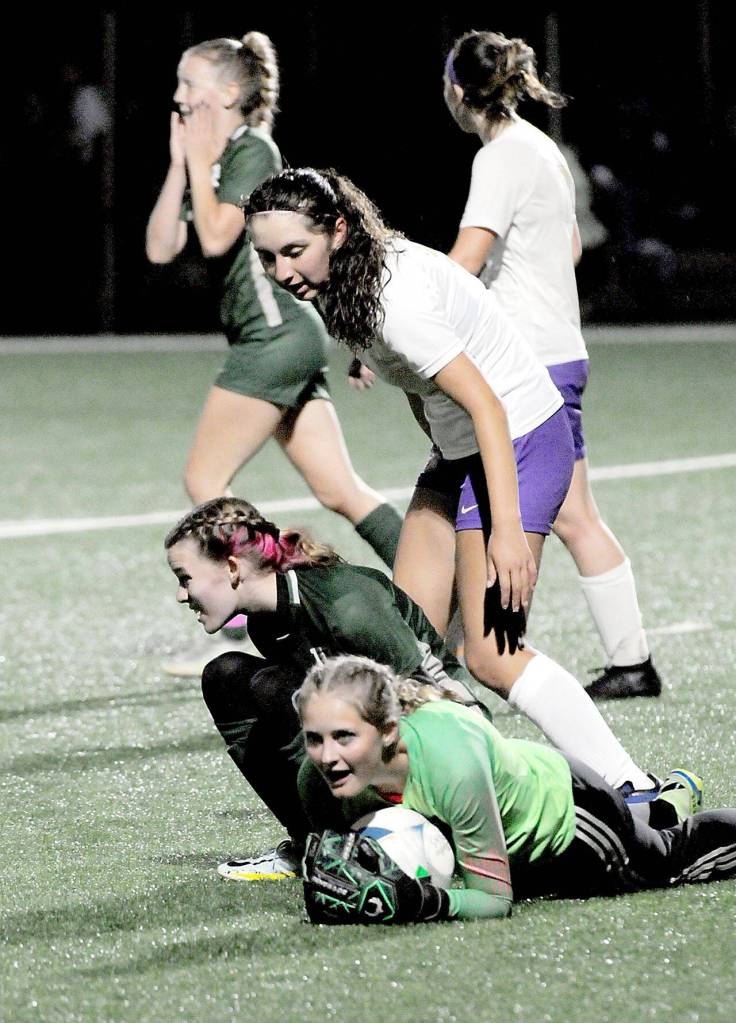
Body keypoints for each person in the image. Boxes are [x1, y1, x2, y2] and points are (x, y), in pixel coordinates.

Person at [241, 168, 666, 801]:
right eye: (267, 257)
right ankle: (429, 799)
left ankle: (634, 787)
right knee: (402, 647)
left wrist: (507, 533)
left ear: (338, 229)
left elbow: (489, 406)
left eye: (294, 252)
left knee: (492, 656)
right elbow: (424, 391)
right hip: (462, 452)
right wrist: (442, 462)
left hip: (517, 441)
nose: (281, 271)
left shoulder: (393, 302)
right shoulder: (343, 283)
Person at [164, 498, 699, 880]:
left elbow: (443, 696)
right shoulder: (266, 622)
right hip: (385, 754)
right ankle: (314, 845)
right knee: (231, 677)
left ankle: (663, 803)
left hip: (448, 743)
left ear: (232, 567)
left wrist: (468, 793)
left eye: (185, 577)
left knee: (621, 846)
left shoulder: (348, 606)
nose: (183, 594)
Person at [145, 33, 402, 674]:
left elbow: (211, 238)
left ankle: (255, 619)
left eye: (189, 85)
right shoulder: (216, 158)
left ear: (229, 94)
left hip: (272, 337)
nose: (178, 98)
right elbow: (158, 247)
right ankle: (432, 588)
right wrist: (184, 162)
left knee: (204, 484)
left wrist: (205, 162)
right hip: (283, 339)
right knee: (339, 488)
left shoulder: (252, 150)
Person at [443, 30, 661, 700]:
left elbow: (467, 258)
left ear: (456, 90)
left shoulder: (500, 158)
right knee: (575, 515)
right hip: (559, 348)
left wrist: (408, 314)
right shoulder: (544, 149)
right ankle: (632, 663)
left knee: (502, 511)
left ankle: (495, 661)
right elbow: (565, 249)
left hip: (529, 363)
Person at [297, 655, 731, 924]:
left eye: (344, 737)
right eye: (314, 739)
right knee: (651, 832)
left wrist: (420, 901)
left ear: (388, 731)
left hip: (569, 819)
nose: (327, 756)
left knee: (668, 861)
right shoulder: (316, 780)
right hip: (506, 814)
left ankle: (667, 820)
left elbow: (494, 900)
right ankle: (668, 801)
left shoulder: (452, 764)